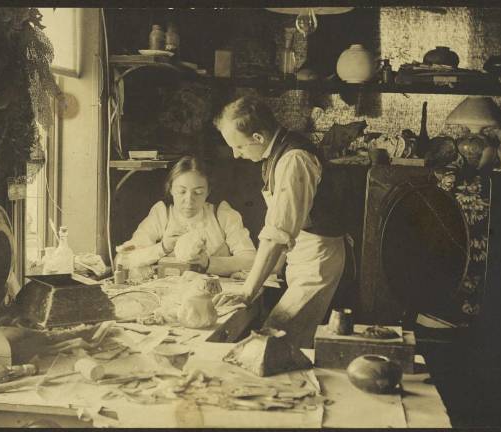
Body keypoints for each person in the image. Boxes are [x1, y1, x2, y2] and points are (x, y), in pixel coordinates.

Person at [213, 96, 347, 348]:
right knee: (284, 339)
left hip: (317, 261)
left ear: (258, 138)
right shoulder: (277, 153)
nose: (236, 154)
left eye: (239, 147)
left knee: (273, 340)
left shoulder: (294, 160)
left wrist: (247, 291)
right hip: (302, 256)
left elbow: (277, 233)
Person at [116, 155, 256, 277]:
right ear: (170, 189)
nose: (189, 200)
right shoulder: (162, 214)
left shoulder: (222, 214)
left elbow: (251, 260)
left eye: (198, 192)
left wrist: (207, 262)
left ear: (208, 192)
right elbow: (123, 259)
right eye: (181, 192)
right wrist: (163, 248)